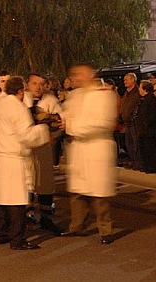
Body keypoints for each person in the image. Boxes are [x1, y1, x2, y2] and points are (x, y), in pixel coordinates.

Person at [0, 76, 50, 250]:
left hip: (0, 157)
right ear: (20, 91)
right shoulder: (17, 108)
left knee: (3, 201)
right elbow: (26, 135)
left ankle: (2, 234)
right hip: (14, 158)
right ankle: (18, 239)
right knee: (16, 202)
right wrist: (43, 129)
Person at [59, 64, 118, 244]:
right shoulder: (75, 95)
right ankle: (77, 226)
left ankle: (105, 230)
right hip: (78, 150)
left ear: (90, 75)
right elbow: (66, 115)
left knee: (99, 195)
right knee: (77, 193)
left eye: (79, 74)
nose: (75, 78)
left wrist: (73, 127)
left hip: (96, 148)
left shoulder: (104, 94)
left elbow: (101, 122)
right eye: (73, 75)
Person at [23, 73, 64, 233]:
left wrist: (49, 132)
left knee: (45, 183)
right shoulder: (22, 100)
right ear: (28, 84)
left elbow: (60, 124)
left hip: (44, 149)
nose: (37, 87)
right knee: (28, 182)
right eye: (34, 83)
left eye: (41, 84)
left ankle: (46, 218)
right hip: (27, 149)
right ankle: (27, 215)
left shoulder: (52, 101)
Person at [136, 80, 156, 173]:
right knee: (144, 149)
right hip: (143, 130)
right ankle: (146, 166)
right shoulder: (143, 100)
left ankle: (153, 167)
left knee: (151, 150)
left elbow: (154, 114)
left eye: (140, 87)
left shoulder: (152, 100)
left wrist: (146, 122)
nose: (138, 89)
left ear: (145, 89)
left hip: (150, 131)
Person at [119, 73, 141, 170]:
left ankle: (138, 162)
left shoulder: (137, 93)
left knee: (136, 143)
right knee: (129, 144)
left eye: (126, 79)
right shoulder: (126, 93)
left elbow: (136, 107)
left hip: (133, 123)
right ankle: (133, 161)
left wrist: (132, 117)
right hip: (126, 123)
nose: (124, 82)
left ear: (133, 80)